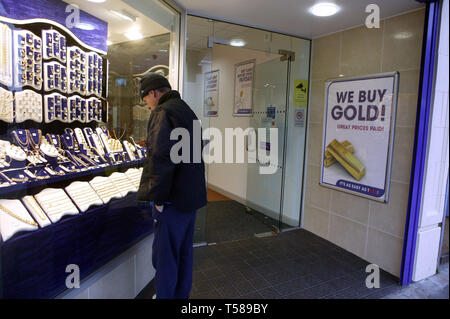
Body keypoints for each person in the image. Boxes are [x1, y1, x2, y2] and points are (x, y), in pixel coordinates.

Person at [136, 73, 207, 299]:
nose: (147, 104)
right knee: (184, 253)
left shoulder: (162, 112)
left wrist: (157, 198)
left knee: (165, 257)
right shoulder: (186, 109)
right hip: (191, 197)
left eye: (146, 98)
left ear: (155, 92)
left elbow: (161, 158)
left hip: (172, 200)